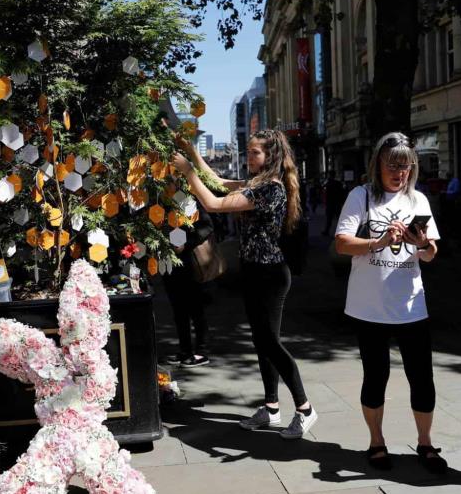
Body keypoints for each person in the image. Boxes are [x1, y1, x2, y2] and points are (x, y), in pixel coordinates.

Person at [172, 129, 317, 439]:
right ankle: (271, 407)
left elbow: (212, 203)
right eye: (249, 151)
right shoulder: (257, 184)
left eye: (255, 153)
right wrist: (192, 151)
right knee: (262, 342)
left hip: (270, 276)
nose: (250, 157)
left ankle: (305, 408)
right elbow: (217, 182)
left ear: (271, 156)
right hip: (255, 272)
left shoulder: (269, 190)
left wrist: (186, 171)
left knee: (270, 344)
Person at [334, 133, 447, 473]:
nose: (400, 172)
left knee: (422, 377)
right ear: (378, 165)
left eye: (406, 165)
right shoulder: (362, 196)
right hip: (369, 306)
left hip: (411, 305)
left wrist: (424, 244)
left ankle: (425, 442)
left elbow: (430, 255)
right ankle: (376, 441)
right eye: (393, 165)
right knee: (376, 376)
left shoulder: (419, 201)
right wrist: (379, 241)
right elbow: (342, 243)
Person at [163, 204, 214, 368]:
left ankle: (202, 351)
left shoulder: (188, 200)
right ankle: (185, 350)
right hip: (169, 263)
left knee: (195, 307)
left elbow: (207, 227)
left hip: (189, 262)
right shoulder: (160, 200)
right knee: (178, 311)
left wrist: (186, 243)